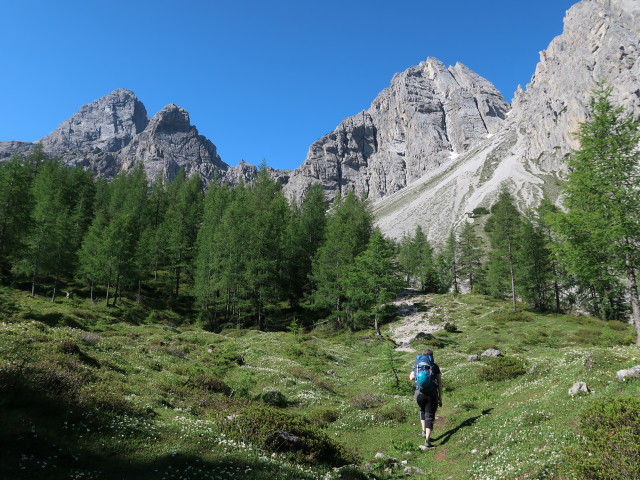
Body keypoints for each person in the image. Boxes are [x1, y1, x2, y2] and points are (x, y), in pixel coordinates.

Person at [409, 348, 442, 448]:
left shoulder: (416, 365)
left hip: (419, 394)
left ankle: (423, 431)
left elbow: (411, 378)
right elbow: (439, 383)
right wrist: (440, 397)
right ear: (432, 356)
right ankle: (427, 440)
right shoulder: (434, 366)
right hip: (431, 394)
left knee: (422, 411)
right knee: (429, 415)